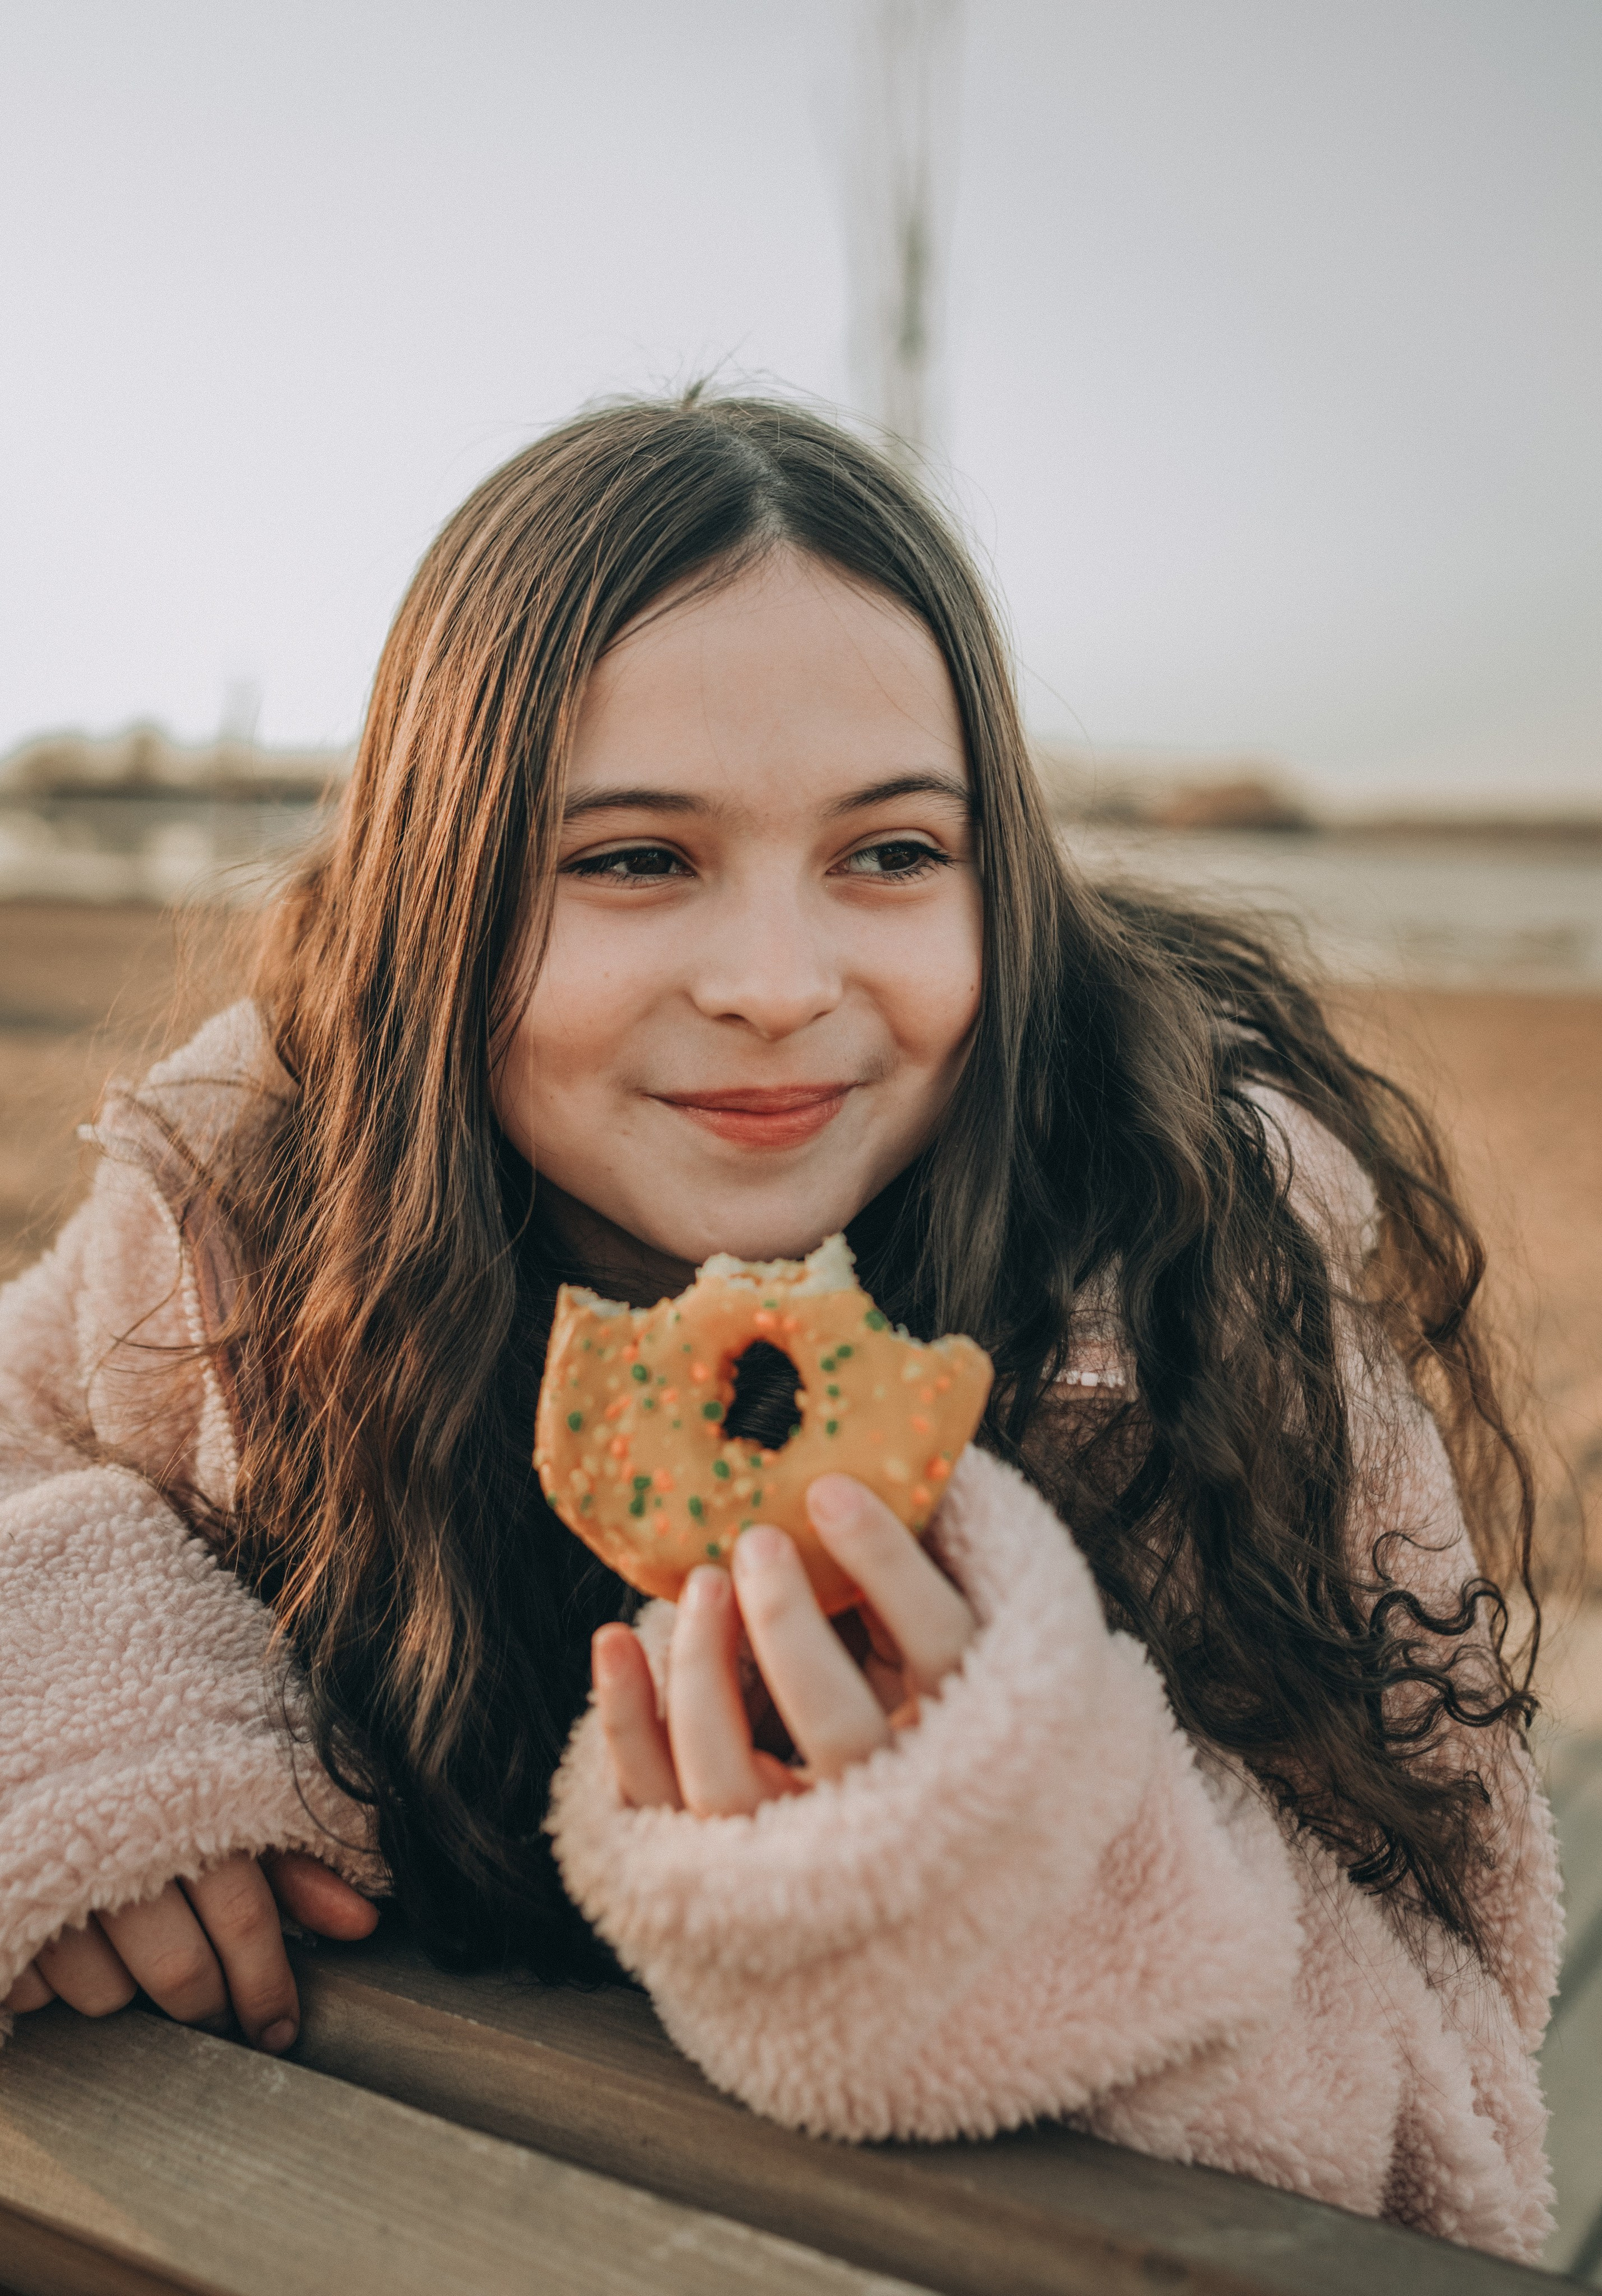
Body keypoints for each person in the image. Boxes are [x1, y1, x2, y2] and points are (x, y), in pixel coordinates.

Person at [0, 396, 1557, 2260]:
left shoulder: (1197, 1283)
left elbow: (1461, 2119)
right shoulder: (252, 1213)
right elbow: (26, 1446)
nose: (773, 986)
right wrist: (100, 1737)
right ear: (437, 898)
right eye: (635, 859)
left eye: (891, 854)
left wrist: (1011, 1869)